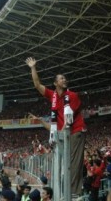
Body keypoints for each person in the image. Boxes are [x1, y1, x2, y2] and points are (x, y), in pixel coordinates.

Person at [26, 57, 87, 195]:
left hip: (76, 132)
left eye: (65, 78)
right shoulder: (53, 96)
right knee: (67, 165)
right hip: (65, 134)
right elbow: (37, 85)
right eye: (61, 79)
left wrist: (62, 131)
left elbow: (68, 120)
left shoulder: (73, 95)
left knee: (73, 164)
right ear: (55, 83)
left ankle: (73, 194)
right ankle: (70, 192)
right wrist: (33, 67)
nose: (64, 80)